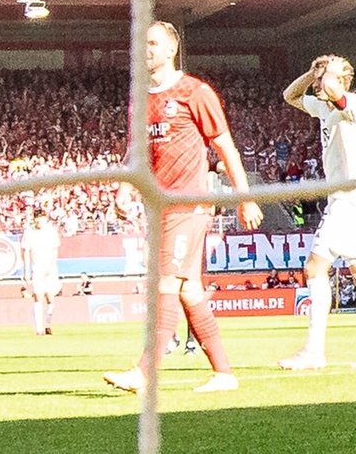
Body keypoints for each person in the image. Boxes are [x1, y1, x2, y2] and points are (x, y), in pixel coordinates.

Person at [104, 21, 263, 395]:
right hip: (160, 208)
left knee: (166, 284)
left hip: (188, 203)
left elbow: (225, 147)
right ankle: (224, 373)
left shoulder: (195, 92)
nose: (146, 49)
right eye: (142, 43)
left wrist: (245, 197)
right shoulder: (140, 99)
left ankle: (143, 373)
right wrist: (125, 188)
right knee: (190, 290)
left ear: (171, 49)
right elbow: (137, 153)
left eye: (154, 43)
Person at [278, 55, 356, 372]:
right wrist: (311, 72)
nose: (319, 83)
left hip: (350, 199)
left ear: (343, 81)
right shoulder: (324, 109)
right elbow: (289, 96)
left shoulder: (352, 105)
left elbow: (332, 86)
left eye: (325, 78)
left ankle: (314, 352)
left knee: (315, 267)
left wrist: (329, 71)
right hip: (349, 200)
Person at [21, 210, 61, 336]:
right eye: (37, 218)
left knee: (50, 297)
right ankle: (39, 329)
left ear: (45, 219)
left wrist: (52, 266)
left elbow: (55, 250)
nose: (39, 220)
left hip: (50, 269)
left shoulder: (51, 231)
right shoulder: (29, 232)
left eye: (42, 218)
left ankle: (48, 324)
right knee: (38, 296)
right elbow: (26, 252)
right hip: (37, 269)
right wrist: (26, 271)